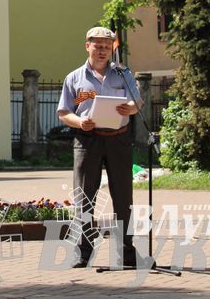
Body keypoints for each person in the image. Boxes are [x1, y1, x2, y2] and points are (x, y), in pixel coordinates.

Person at [57, 26, 142, 268]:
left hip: (119, 139)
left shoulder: (123, 74)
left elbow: (137, 102)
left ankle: (126, 252)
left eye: (107, 46)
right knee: (84, 198)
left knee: (123, 197)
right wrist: (79, 122)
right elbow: (64, 112)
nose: (103, 50)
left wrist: (130, 108)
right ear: (88, 46)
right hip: (88, 140)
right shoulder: (74, 78)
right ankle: (83, 252)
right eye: (98, 46)